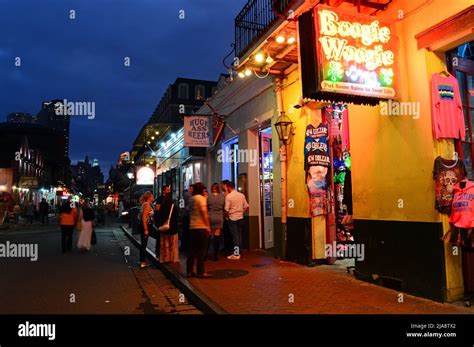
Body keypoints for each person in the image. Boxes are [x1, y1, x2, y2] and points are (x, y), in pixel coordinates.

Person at [186, 183, 211, 278]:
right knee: (201, 251)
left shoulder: (191, 199)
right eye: (204, 190)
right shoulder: (201, 199)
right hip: (201, 227)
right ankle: (201, 272)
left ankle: (189, 271)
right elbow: (204, 213)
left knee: (192, 251)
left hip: (192, 227)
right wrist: (208, 226)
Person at [225, 181, 249, 260]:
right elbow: (246, 206)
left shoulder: (229, 196)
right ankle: (239, 251)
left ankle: (236, 254)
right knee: (239, 235)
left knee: (235, 236)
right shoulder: (241, 195)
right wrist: (241, 211)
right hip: (240, 217)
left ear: (228, 187)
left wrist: (227, 215)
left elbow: (226, 209)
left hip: (232, 218)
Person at [157, 187, 179, 263]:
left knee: (165, 243)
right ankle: (173, 258)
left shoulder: (163, 206)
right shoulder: (174, 206)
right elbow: (177, 216)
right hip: (173, 226)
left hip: (165, 226)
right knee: (173, 244)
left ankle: (165, 258)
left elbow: (159, 216)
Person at [139, 191, 158, 268]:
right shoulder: (147, 205)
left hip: (145, 226)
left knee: (143, 243)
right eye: (152, 196)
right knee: (158, 236)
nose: (153, 197)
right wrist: (146, 229)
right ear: (149, 197)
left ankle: (142, 261)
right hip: (147, 226)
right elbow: (144, 217)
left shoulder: (145, 204)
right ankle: (143, 261)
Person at [206, 183, 225, 261]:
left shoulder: (208, 197)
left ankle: (205, 254)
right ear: (218, 188)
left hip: (210, 216)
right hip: (219, 217)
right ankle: (215, 255)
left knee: (209, 235)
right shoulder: (222, 197)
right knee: (217, 236)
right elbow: (224, 207)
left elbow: (206, 207)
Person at [221, 180, 232, 253]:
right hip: (226, 215)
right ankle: (227, 247)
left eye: (222, 185)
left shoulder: (227, 194)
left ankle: (228, 248)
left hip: (227, 216)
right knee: (227, 233)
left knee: (228, 233)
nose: (221, 186)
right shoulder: (226, 194)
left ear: (225, 185)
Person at [181, 185, 193, 252]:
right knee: (186, 232)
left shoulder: (186, 194)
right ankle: (185, 247)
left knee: (185, 232)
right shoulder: (188, 195)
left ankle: (184, 246)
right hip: (187, 215)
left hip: (185, 215)